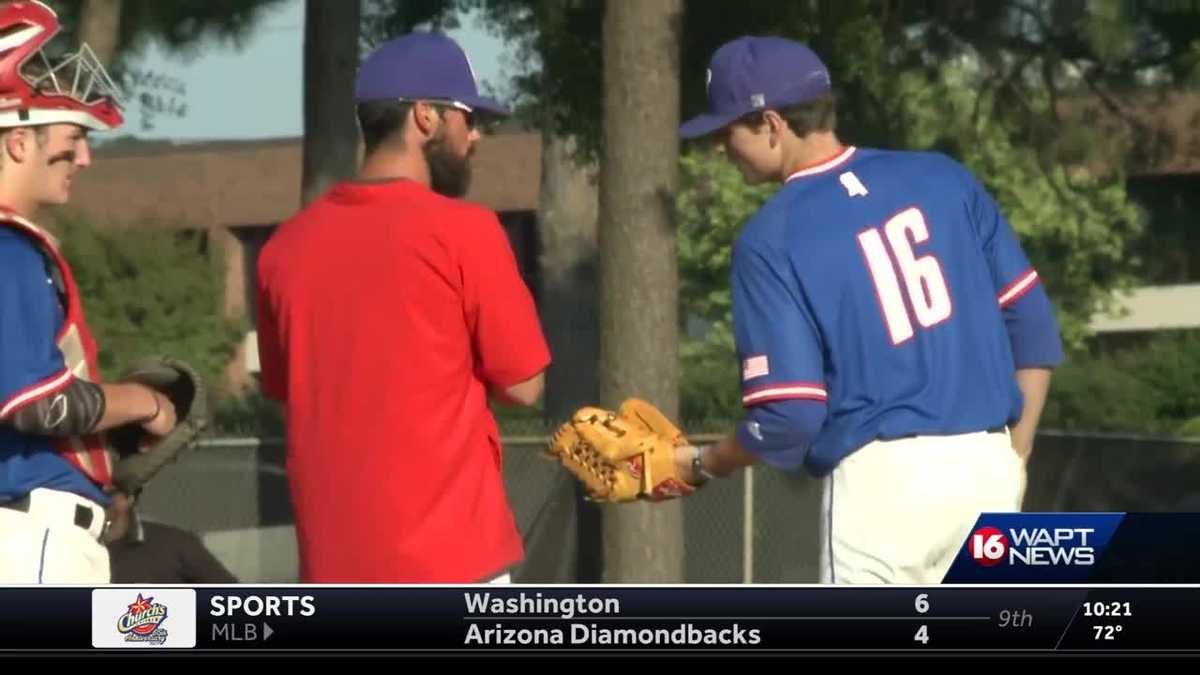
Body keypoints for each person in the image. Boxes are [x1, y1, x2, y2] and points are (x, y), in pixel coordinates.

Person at [671, 36, 1064, 584]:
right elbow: (1034, 328)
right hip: (987, 463)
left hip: (883, 489)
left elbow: (790, 417)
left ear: (771, 123)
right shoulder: (943, 177)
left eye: (726, 129)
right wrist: (1012, 460)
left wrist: (698, 463)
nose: (719, 146)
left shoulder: (771, 237)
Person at [256, 32, 551, 584]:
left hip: (333, 569)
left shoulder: (282, 249)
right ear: (426, 117)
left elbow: (285, 387)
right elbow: (525, 384)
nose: (478, 136)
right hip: (453, 564)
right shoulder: (465, 231)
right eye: (469, 118)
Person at [0, 0, 177, 584]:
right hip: (32, 538)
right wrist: (142, 403)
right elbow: (33, 404)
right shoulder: (9, 247)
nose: (84, 156)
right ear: (18, 141)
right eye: (72, 136)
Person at [104, 490, 239, 584]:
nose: (93, 498)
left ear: (128, 498)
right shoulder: (83, 546)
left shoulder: (175, 544)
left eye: (103, 492)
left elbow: (234, 602)